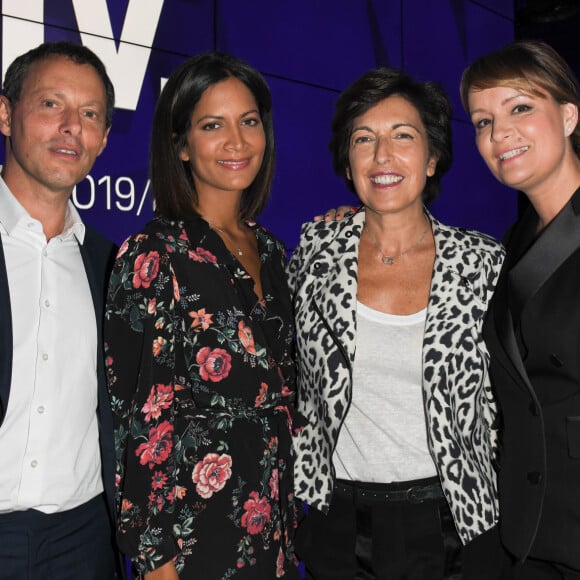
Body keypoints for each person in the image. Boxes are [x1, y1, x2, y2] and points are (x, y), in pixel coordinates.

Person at [287, 67, 505, 579]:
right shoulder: (316, 252)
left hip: (456, 521)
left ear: (431, 159)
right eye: (364, 139)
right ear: (348, 161)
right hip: (338, 521)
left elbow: (507, 405)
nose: (382, 156)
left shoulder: (483, 263)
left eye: (402, 136)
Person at [105, 52, 303, 579]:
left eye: (250, 122)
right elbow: (141, 418)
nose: (237, 142)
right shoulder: (155, 254)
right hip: (194, 537)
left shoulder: (274, 253)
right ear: (182, 146)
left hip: (273, 524)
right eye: (212, 125)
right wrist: (157, 562)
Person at [461, 40, 580, 579]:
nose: (498, 133)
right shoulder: (509, 246)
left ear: (569, 115)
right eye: (483, 121)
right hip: (530, 537)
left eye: (520, 108)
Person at [0, 42, 120, 578]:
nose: (71, 126)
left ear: (104, 138)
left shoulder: (113, 264)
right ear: (6, 114)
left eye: (90, 114)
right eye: (51, 104)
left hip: (84, 539)